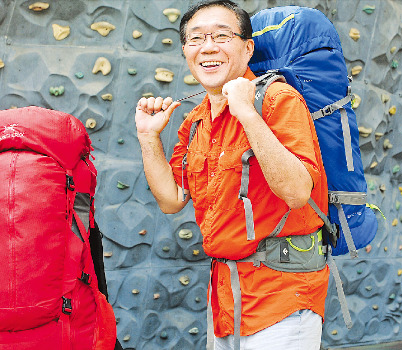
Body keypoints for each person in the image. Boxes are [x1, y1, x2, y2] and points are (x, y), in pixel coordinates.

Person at [134, 1, 329, 349]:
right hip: (225, 297)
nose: (208, 47)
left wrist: (247, 114)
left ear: (247, 47)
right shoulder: (194, 121)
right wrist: (149, 138)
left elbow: (299, 192)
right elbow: (172, 200)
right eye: (196, 38)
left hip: (282, 296)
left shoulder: (278, 100)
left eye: (222, 36)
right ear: (185, 50)